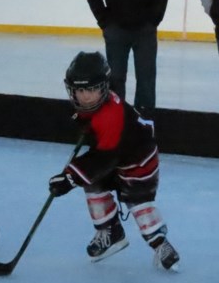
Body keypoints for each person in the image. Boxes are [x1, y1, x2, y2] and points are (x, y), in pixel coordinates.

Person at [46, 52, 180, 269]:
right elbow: (101, 152)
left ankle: (160, 244)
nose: (86, 97)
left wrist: (70, 178)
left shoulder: (111, 114)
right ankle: (111, 232)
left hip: (138, 160)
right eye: (80, 90)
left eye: (91, 90)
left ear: (104, 87)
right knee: (92, 183)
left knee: (138, 203)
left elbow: (104, 158)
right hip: (115, 154)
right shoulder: (94, 106)